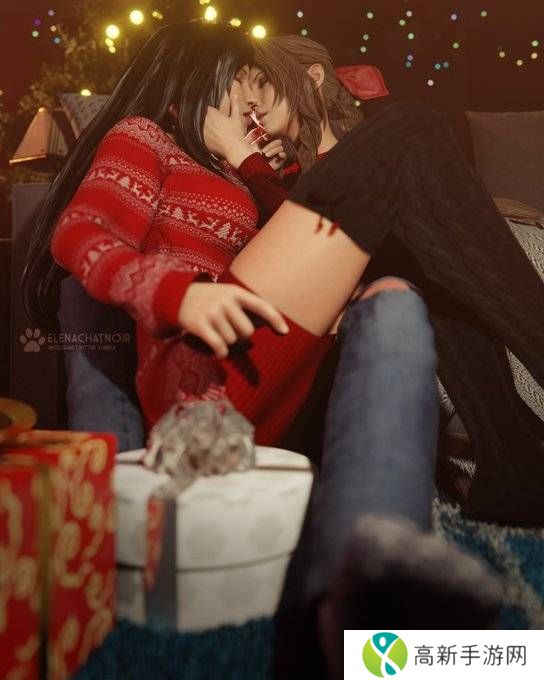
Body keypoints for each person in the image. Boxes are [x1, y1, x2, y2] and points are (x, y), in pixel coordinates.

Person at [20, 21, 505, 678]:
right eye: (241, 82)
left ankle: (370, 575)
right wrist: (179, 295)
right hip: (199, 374)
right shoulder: (144, 137)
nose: (254, 102)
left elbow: (295, 245)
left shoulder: (240, 166)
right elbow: (80, 233)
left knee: (393, 299)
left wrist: (244, 160)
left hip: (273, 374)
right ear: (199, 80)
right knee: (404, 142)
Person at [203, 33, 544, 530]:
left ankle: (510, 458)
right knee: (413, 133)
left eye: (260, 81)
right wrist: (249, 162)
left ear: (312, 78)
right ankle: (511, 450)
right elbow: (302, 256)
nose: (249, 99)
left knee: (416, 248)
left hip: (342, 323)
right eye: (240, 87)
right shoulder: (269, 170)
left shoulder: (315, 164)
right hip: (295, 362)